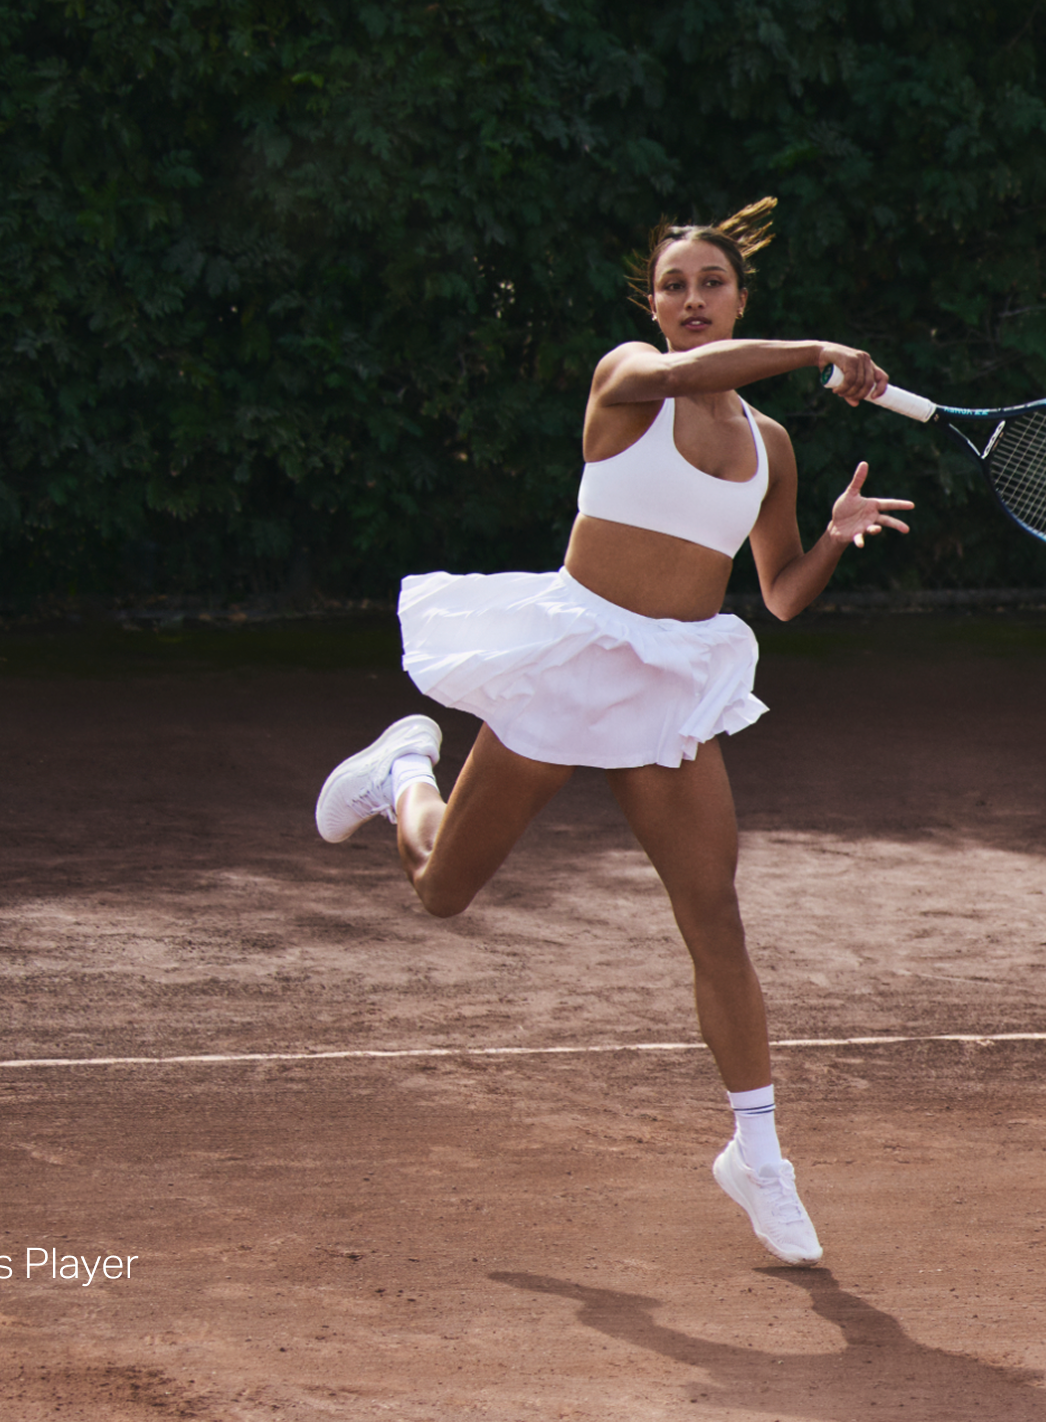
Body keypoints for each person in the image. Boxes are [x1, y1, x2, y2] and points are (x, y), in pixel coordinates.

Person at [310, 197, 911, 1266]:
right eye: (675, 285)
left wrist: (829, 537)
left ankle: (758, 1155)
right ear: (653, 303)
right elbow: (688, 377)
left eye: (711, 284)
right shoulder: (627, 375)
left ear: (740, 296)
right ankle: (406, 770)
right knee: (443, 891)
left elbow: (776, 595)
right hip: (572, 655)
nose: (691, 300)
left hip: (667, 684)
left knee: (713, 913)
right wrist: (821, 348)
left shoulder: (773, 445)